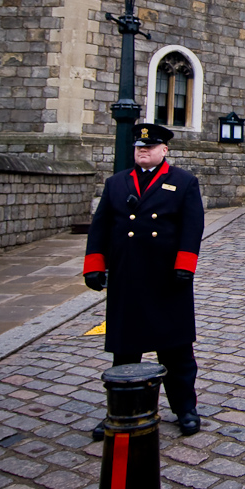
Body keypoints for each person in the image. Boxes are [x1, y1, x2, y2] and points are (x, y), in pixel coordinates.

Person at [83, 123, 204, 440]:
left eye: (149, 147)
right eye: (139, 147)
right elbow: (100, 227)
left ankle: (185, 409)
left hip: (167, 279)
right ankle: (120, 410)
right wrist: (94, 265)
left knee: (176, 353)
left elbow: (192, 227)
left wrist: (185, 265)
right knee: (125, 351)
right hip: (128, 278)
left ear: (165, 150)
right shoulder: (117, 183)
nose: (143, 151)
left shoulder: (183, 182)